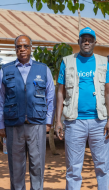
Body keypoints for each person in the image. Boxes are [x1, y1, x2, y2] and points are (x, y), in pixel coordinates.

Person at [55, 27, 109, 190]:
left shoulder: (103, 61)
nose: (86, 41)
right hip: (74, 122)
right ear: (78, 41)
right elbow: (60, 92)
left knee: (102, 166)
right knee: (73, 168)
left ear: (95, 42)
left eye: (90, 39)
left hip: (99, 122)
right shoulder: (67, 61)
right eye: (83, 39)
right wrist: (57, 120)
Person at [0, 35, 55, 190]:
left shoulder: (43, 69)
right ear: (15, 49)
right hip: (13, 126)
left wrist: (49, 121)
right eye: (19, 47)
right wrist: (1, 124)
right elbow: (1, 99)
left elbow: (50, 97)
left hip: (37, 125)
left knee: (37, 167)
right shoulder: (6, 70)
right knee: (16, 169)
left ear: (31, 48)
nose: (22, 49)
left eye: (25, 46)